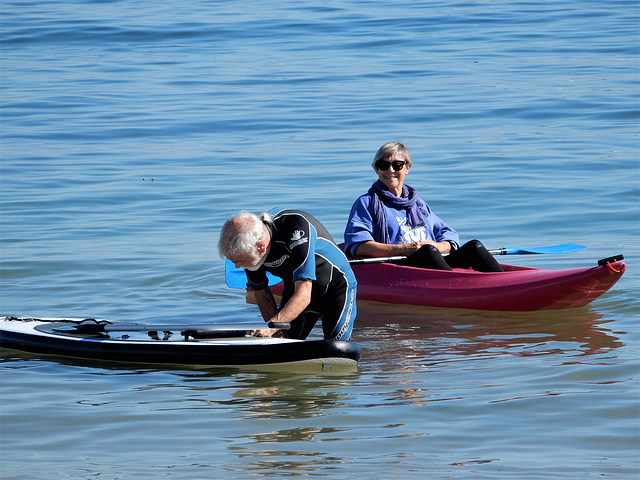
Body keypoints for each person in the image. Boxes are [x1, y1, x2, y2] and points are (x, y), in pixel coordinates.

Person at [344, 141, 504, 272]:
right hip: (398, 267)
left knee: (473, 246)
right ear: (376, 169)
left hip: (432, 259)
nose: (390, 170)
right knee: (427, 251)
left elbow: (449, 234)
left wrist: (439, 246)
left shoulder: (418, 203)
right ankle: (458, 287)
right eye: (383, 165)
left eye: (397, 165)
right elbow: (358, 246)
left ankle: (501, 281)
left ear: (407, 169)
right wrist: (406, 249)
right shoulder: (366, 203)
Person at [219, 208, 357, 340]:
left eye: (239, 261)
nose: (237, 266)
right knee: (280, 343)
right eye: (234, 262)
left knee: (336, 348)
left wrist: (272, 327)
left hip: (336, 288)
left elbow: (304, 295)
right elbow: (262, 293)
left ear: (260, 246)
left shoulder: (295, 227)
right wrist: (275, 332)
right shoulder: (249, 250)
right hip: (295, 289)